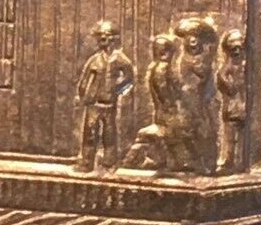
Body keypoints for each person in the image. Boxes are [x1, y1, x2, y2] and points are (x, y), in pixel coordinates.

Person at [75, 21, 134, 173]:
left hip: (109, 104)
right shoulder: (95, 59)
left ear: (113, 38)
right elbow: (84, 80)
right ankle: (87, 162)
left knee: (109, 135)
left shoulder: (119, 58)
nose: (102, 38)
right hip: (93, 104)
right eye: (100, 36)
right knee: (90, 134)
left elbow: (129, 77)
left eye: (106, 35)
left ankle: (109, 163)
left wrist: (117, 90)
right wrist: (81, 95)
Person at [122, 32, 181, 171]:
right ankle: (167, 160)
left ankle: (163, 160)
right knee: (169, 135)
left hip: (162, 112)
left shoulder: (156, 67)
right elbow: (164, 92)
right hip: (168, 112)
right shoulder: (162, 68)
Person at [173, 15, 220, 175]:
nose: (192, 41)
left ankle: (208, 162)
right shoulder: (184, 57)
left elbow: (201, 75)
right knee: (186, 129)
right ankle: (192, 161)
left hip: (199, 100)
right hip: (186, 100)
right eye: (189, 37)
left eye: (196, 38)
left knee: (202, 129)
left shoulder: (203, 58)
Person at [215, 28, 247, 173]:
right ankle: (230, 160)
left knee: (241, 136)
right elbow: (228, 85)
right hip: (232, 107)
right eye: (233, 48)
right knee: (230, 137)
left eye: (239, 47)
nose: (237, 51)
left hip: (243, 106)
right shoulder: (227, 68)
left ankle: (239, 161)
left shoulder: (245, 67)